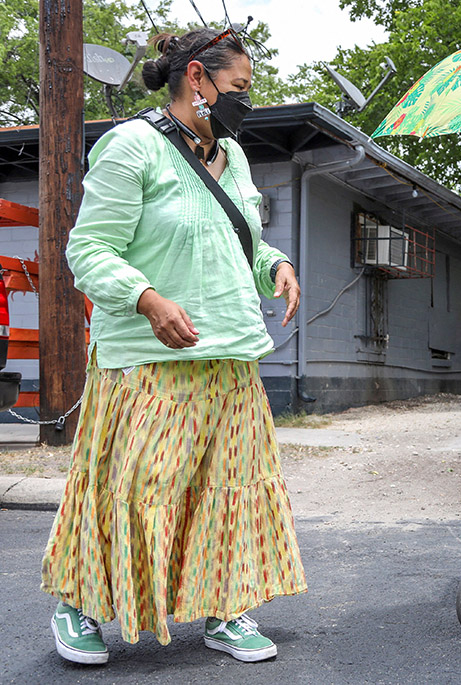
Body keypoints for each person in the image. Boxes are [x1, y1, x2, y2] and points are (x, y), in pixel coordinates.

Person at [40, 27, 307, 665]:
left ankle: (223, 607)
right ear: (196, 78)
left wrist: (275, 264)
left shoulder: (234, 158)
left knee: (228, 485)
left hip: (230, 353)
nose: (247, 100)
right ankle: (78, 604)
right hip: (149, 356)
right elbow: (89, 249)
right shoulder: (131, 146)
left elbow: (237, 241)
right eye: (238, 88)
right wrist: (148, 299)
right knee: (134, 484)